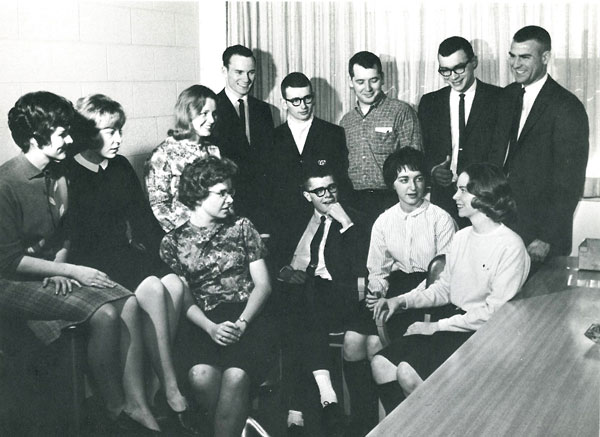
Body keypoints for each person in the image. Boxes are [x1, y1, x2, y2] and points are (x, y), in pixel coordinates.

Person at [0, 91, 161, 434]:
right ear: (33, 139)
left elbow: (63, 233)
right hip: (11, 281)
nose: (71, 140)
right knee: (103, 311)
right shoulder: (6, 183)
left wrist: (59, 263)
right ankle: (113, 405)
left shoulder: (58, 173)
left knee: (122, 303)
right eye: (62, 134)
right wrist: (69, 269)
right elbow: (9, 261)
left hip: (50, 270)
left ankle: (127, 402)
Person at [66, 94, 197, 435]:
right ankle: (167, 387)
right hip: (89, 261)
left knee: (174, 283)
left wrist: (168, 256)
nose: (119, 139)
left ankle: (155, 386)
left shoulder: (121, 166)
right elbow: (70, 237)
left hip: (123, 253)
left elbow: (143, 222)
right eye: (109, 131)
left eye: (119, 130)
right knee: (152, 289)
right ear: (85, 133)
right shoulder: (68, 171)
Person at [371, 163, 530, 415]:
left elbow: (493, 313)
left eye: (463, 190)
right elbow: (443, 288)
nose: (455, 196)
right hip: (452, 323)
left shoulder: (511, 246)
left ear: (484, 195)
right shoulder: (461, 237)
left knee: (406, 372)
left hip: (480, 335)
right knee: (380, 363)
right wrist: (401, 301)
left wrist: (434, 327)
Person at [160, 156, 277, 437]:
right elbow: (184, 299)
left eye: (230, 192)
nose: (229, 199)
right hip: (203, 322)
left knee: (236, 377)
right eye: (221, 193)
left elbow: (263, 285)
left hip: (248, 315)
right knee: (200, 376)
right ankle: (241, 426)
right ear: (198, 196)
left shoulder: (243, 227)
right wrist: (211, 328)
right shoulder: (172, 242)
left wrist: (243, 322)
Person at [342, 147, 455, 435]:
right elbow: (377, 270)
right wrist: (377, 293)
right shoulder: (383, 220)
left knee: (375, 344)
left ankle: (392, 424)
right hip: (393, 286)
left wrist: (395, 300)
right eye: (403, 180)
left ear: (426, 183)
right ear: (392, 184)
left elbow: (443, 273)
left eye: (418, 179)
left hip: (427, 292)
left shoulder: (440, 218)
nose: (412, 187)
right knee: (352, 340)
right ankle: (363, 420)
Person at [273, 166, 368, 437]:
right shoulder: (295, 221)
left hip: (342, 295)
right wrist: (285, 272)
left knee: (302, 305)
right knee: (297, 307)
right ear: (307, 196)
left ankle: (296, 407)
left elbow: (364, 265)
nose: (328, 195)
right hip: (305, 297)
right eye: (319, 191)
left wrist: (346, 224)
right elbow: (277, 257)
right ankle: (327, 398)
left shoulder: (356, 219)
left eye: (332, 188)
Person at [490, 25, 589, 269]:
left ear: (545, 58)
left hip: (540, 238)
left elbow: (570, 182)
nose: (515, 64)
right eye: (512, 56)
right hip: (501, 227)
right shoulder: (505, 97)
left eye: (525, 57)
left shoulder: (567, 107)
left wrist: (546, 237)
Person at [419, 36, 502, 227]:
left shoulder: (498, 99)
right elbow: (422, 149)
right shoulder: (429, 103)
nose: (453, 76)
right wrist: (433, 170)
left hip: (484, 198)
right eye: (445, 71)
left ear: (474, 62)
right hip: (444, 198)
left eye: (459, 68)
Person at [340, 51, 423, 227]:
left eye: (373, 80)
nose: (367, 88)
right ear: (350, 82)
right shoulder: (346, 121)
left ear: (383, 78)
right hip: (353, 203)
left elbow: (415, 160)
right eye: (360, 81)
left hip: (390, 200)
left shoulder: (401, 111)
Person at [268, 72, 350, 242]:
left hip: (325, 221)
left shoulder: (333, 133)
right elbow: (269, 185)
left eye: (307, 98)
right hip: (283, 224)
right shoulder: (271, 138)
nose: (303, 105)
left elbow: (341, 179)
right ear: (284, 103)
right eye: (295, 101)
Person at [213, 44, 275, 233]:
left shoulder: (264, 110)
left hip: (262, 208)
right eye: (239, 72)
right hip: (228, 207)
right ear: (224, 70)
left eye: (251, 72)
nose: (246, 79)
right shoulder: (211, 109)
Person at [145, 84, 220, 232]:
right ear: (187, 114)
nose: (211, 120)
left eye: (214, 113)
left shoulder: (213, 151)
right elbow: (159, 206)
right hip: (185, 237)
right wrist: (190, 233)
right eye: (204, 113)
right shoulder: (162, 154)